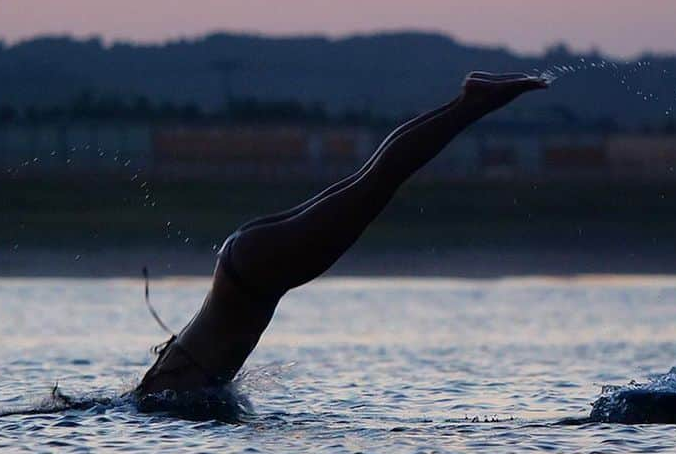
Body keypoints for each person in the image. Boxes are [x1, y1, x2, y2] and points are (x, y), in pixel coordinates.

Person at [135, 72, 548, 421]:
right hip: (243, 261)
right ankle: (466, 101)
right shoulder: (157, 388)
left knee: (376, 183)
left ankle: (470, 105)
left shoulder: (161, 401)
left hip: (256, 277)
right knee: (368, 179)